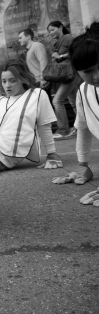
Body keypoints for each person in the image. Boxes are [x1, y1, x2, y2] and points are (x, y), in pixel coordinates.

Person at [0, 59, 62, 177]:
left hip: (0, 156)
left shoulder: (37, 95)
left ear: (22, 79)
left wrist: (51, 153)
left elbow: (44, 126)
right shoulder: (1, 100)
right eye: (4, 81)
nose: (7, 85)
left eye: (12, 81)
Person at [51, 22, 99, 204]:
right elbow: (83, 130)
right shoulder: (84, 92)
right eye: (88, 71)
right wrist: (83, 165)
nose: (97, 76)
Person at [47, 21, 81, 140]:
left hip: (71, 74)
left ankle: (63, 130)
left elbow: (77, 51)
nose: (50, 33)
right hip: (66, 75)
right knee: (75, 103)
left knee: (57, 101)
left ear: (60, 27)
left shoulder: (68, 37)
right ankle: (82, 127)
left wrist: (60, 57)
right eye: (49, 31)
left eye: (52, 29)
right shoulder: (56, 43)